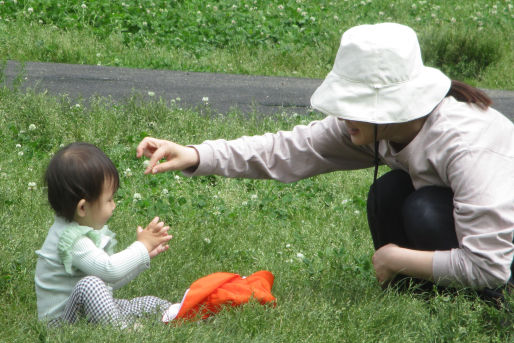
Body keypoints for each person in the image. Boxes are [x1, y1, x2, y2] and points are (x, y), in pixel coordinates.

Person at [136, 23, 514, 300]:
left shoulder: (466, 145)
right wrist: (197, 154)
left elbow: (490, 264)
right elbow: (289, 149)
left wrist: (395, 257)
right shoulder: (377, 126)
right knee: (389, 192)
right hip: (476, 244)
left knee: (424, 208)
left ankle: (485, 305)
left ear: (390, 106)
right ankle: (425, 298)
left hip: (502, 259)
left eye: (354, 104)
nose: (343, 113)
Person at [35, 142, 174, 328]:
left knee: (144, 303)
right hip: (62, 324)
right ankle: (123, 332)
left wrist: (142, 258)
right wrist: (141, 247)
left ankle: (176, 312)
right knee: (90, 285)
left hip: (83, 312)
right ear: (83, 208)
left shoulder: (81, 229)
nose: (114, 205)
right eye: (109, 199)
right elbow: (110, 270)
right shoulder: (73, 240)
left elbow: (108, 281)